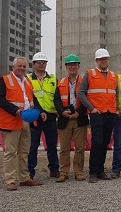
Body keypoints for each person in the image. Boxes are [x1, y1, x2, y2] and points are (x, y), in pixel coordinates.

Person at [0, 57, 44, 190]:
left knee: (24, 151)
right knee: (11, 152)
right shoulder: (4, 80)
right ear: (13, 67)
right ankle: (10, 180)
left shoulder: (27, 82)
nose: (22, 69)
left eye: (24, 67)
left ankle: (24, 178)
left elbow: (32, 99)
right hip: (11, 121)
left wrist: (40, 111)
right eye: (19, 66)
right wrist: (15, 110)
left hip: (25, 121)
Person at [78, 48, 119, 183]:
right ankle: (93, 172)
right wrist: (91, 108)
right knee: (97, 142)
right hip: (97, 114)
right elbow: (81, 93)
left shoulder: (114, 76)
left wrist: (117, 108)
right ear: (96, 61)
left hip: (110, 113)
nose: (104, 61)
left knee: (105, 142)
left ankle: (101, 170)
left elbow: (116, 94)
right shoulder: (90, 74)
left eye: (105, 59)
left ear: (108, 60)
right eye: (101, 59)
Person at [53, 54, 89, 182]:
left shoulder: (84, 81)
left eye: (75, 64)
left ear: (79, 66)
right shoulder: (60, 82)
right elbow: (56, 100)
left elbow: (87, 99)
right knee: (64, 148)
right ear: (66, 67)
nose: (72, 67)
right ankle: (63, 172)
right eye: (70, 65)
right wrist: (62, 112)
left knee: (80, 147)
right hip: (65, 119)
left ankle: (78, 171)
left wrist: (79, 112)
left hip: (80, 118)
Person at [27, 52, 60, 179]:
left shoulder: (52, 79)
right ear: (33, 64)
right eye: (39, 62)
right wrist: (39, 111)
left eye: (44, 62)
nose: (42, 64)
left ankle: (54, 169)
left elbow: (57, 98)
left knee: (52, 145)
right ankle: (30, 170)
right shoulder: (28, 79)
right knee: (33, 145)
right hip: (35, 116)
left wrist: (60, 111)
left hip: (50, 116)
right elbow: (28, 97)